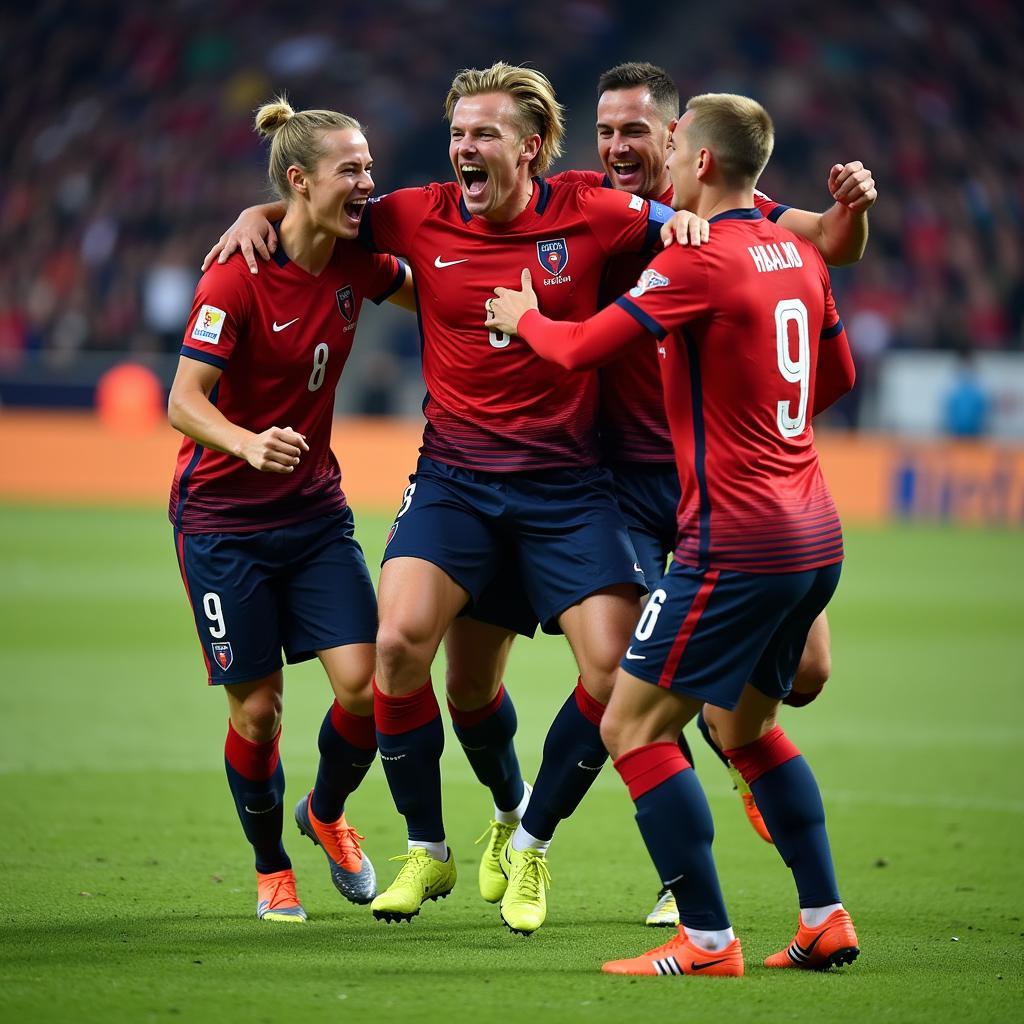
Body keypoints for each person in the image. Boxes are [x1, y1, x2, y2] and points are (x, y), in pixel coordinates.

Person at [203, 63, 679, 935]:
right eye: (458, 133)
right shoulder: (415, 214)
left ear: (530, 147)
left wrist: (767, 222)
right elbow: (316, 206)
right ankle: (429, 848)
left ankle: (529, 839)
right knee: (397, 648)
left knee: (613, 676)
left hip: (570, 487)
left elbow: (688, 221)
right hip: (455, 480)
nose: (464, 148)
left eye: (484, 135)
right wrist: (256, 213)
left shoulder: (591, 211)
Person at [487, 91, 859, 975]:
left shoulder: (701, 262)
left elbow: (577, 350)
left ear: (699, 164)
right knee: (748, 730)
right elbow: (836, 374)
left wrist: (519, 317)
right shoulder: (795, 254)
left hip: (735, 538)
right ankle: (823, 917)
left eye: (674, 141)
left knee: (634, 728)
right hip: (814, 529)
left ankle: (707, 939)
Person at [168, 97, 415, 923]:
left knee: (368, 687)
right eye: (353, 170)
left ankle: (326, 812)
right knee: (259, 708)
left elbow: (434, 286)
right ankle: (272, 864)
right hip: (222, 523)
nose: (369, 184)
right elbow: (182, 400)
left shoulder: (356, 257)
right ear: (302, 180)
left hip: (312, 516)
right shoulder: (234, 275)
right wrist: (244, 442)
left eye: (371, 167)